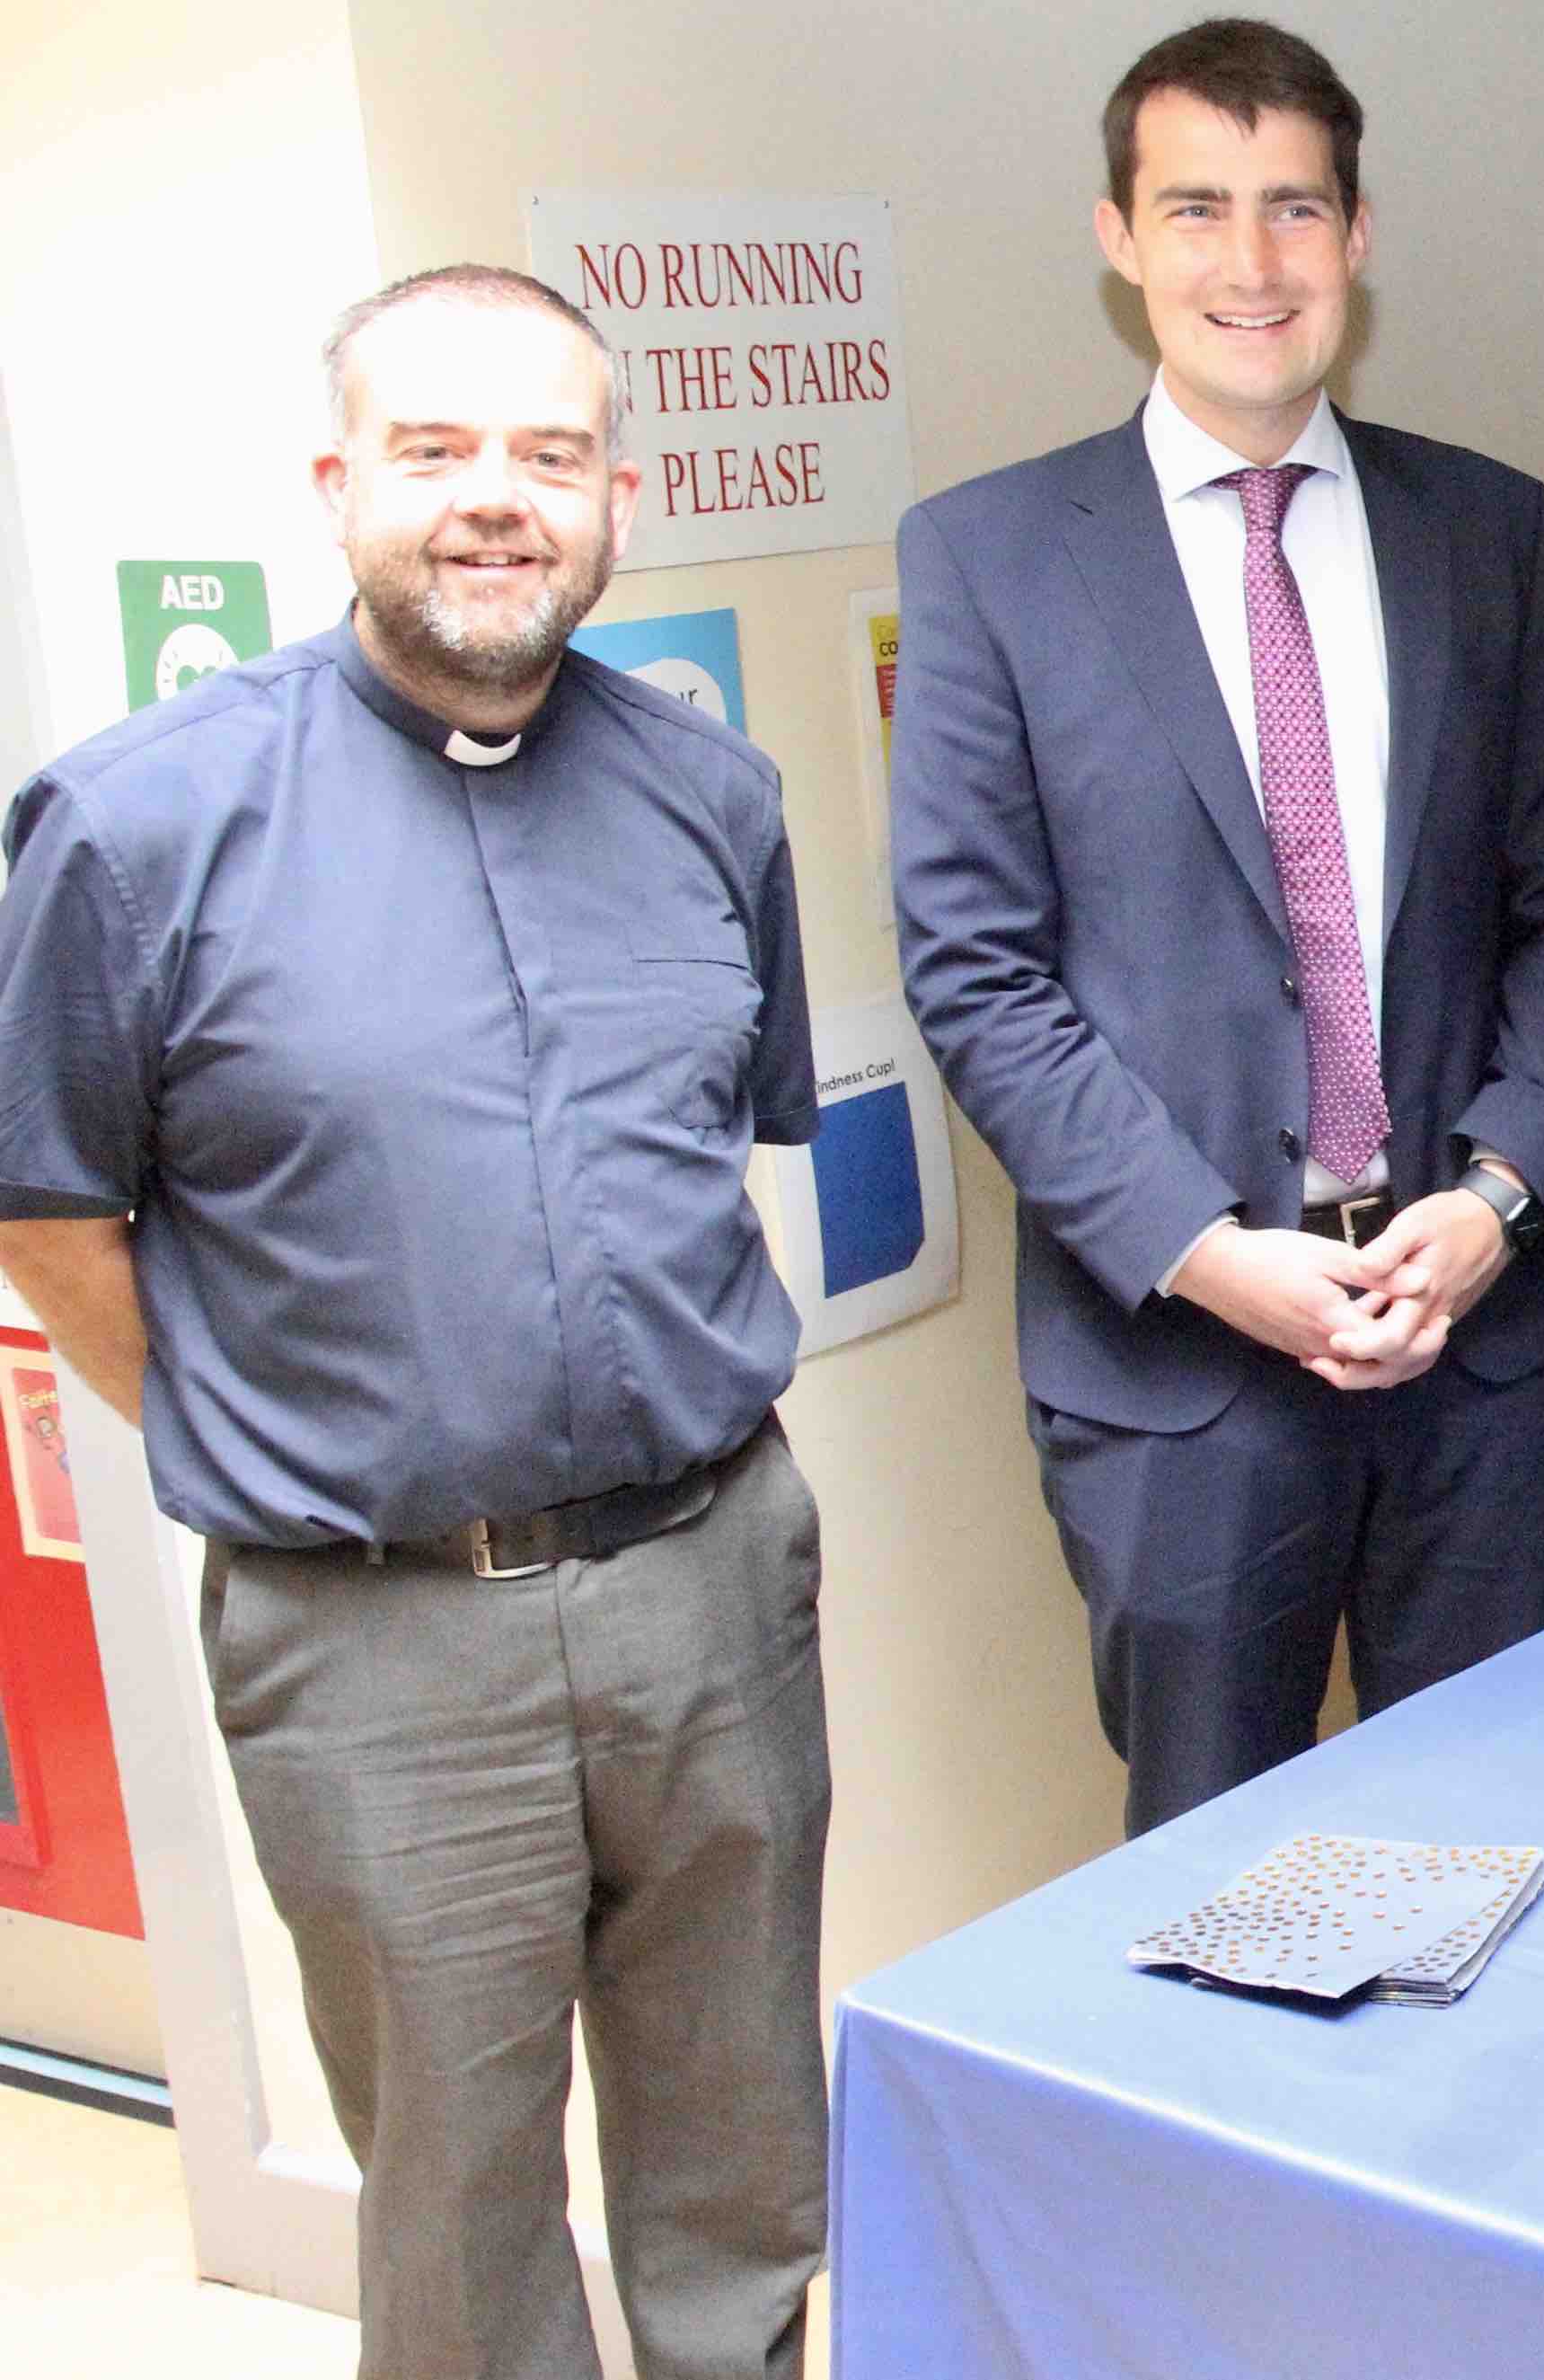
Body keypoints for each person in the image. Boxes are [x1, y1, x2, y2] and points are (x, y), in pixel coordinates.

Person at [0, 267, 827, 2377]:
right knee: (458, 2203)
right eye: (435, 449)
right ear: (335, 480)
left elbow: (716, 1146)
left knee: (740, 2154)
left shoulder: (709, 802)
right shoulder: (134, 825)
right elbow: (48, 1203)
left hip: (711, 1586)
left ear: (617, 493)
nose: (495, 500)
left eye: (548, 455)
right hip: (375, 1633)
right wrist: (274, 1429)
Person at [895, 17, 1544, 1834]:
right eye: (1196, 207)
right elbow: (979, 975)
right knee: (1220, 1891)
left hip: (1477, 1348)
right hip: (1184, 1376)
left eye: (1294, 209)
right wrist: (1212, 1253)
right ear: (1119, 237)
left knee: (1501, 1852)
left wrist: (1500, 1200)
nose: (1249, 261)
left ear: (1357, 240)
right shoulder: (987, 558)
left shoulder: (1491, 529)